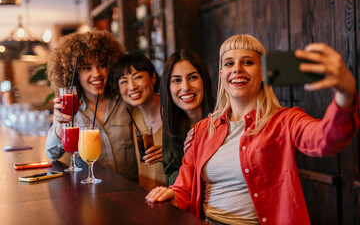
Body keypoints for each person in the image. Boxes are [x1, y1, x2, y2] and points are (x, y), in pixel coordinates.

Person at [146, 34, 359, 224]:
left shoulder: (284, 121)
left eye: (247, 62)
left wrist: (345, 94)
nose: (237, 68)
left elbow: (327, 140)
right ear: (221, 74)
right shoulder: (203, 129)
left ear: (264, 72)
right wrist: (171, 196)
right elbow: (184, 188)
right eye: (229, 63)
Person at [45, 30, 138, 182]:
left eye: (102, 65)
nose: (97, 73)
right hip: (91, 194)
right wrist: (60, 126)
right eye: (87, 68)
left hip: (131, 191)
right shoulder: (70, 109)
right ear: (72, 73)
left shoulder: (126, 101)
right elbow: (52, 154)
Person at [160, 49, 215, 186]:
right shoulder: (172, 123)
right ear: (168, 88)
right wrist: (189, 162)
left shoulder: (223, 117)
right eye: (177, 80)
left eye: (193, 77)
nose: (185, 87)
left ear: (204, 81)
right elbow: (171, 175)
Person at [115, 52, 166, 191]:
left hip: (176, 200)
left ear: (153, 77)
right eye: (124, 81)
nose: (132, 87)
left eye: (137, 77)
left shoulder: (172, 112)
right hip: (147, 200)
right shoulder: (132, 115)